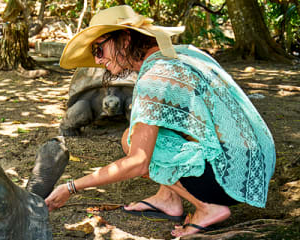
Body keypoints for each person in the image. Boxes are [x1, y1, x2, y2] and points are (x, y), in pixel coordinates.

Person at [45, 5, 276, 237]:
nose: (97, 59)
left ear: (125, 39)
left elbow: (138, 163)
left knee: (132, 140)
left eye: (100, 48)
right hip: (258, 162)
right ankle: (168, 198)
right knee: (149, 132)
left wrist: (71, 187)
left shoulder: (153, 78)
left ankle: (208, 208)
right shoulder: (185, 53)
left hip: (231, 176)